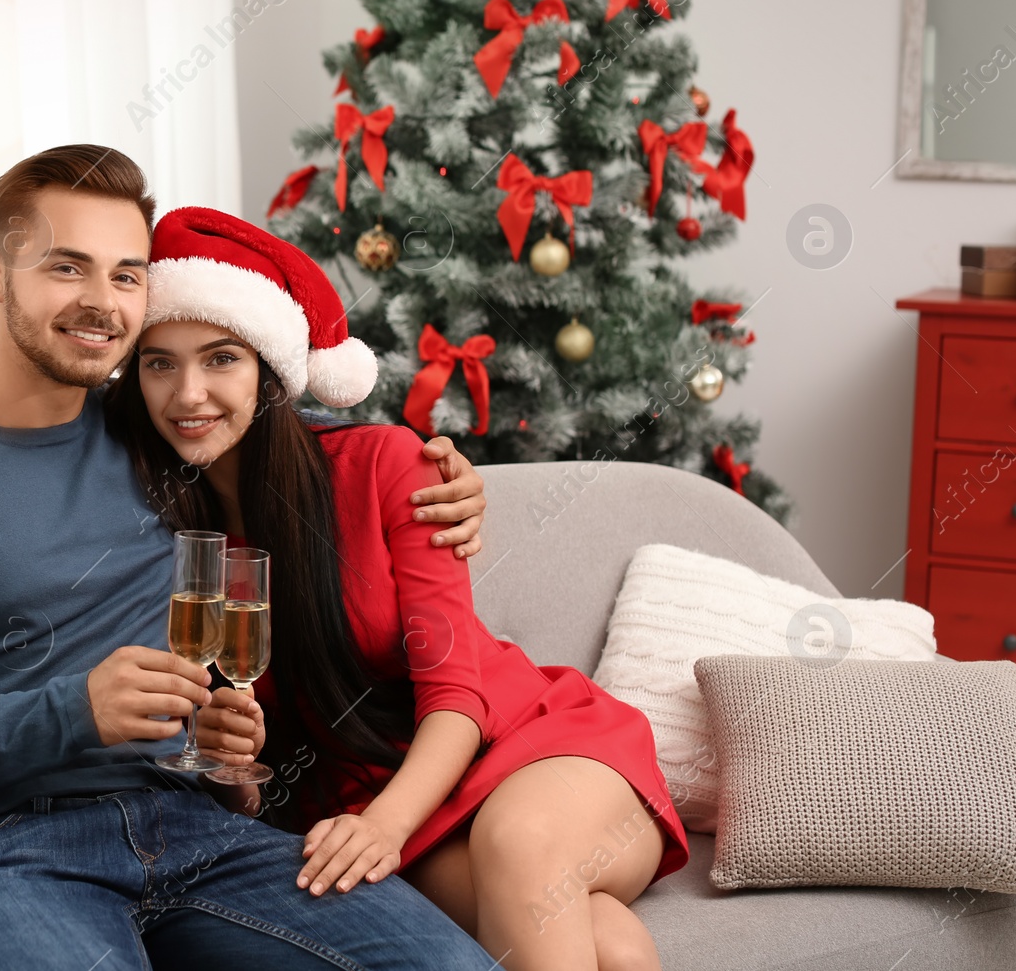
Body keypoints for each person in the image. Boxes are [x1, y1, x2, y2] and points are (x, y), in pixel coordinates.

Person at [0, 145, 505, 971]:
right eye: (67, 267)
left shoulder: (153, 433)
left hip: (199, 832)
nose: (102, 302)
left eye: (127, 275)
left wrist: (440, 472)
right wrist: (74, 711)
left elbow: (273, 429)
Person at [101, 206, 691, 971]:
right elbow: (247, 759)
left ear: (270, 372)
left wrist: (384, 825)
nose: (189, 393)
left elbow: (456, 693)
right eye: (159, 362)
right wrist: (233, 769)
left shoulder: (386, 464)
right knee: (601, 939)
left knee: (521, 847)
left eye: (221, 359)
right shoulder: (160, 523)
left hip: (530, 744)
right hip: (374, 801)